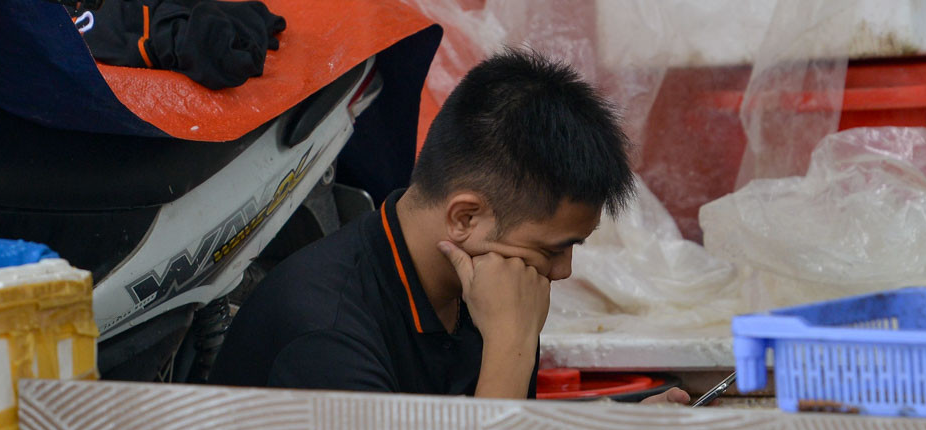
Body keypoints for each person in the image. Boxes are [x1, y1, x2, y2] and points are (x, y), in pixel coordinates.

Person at [210, 49, 691, 403]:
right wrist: (510, 346)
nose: (562, 271)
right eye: (552, 249)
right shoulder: (325, 335)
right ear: (465, 217)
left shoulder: (480, 284)